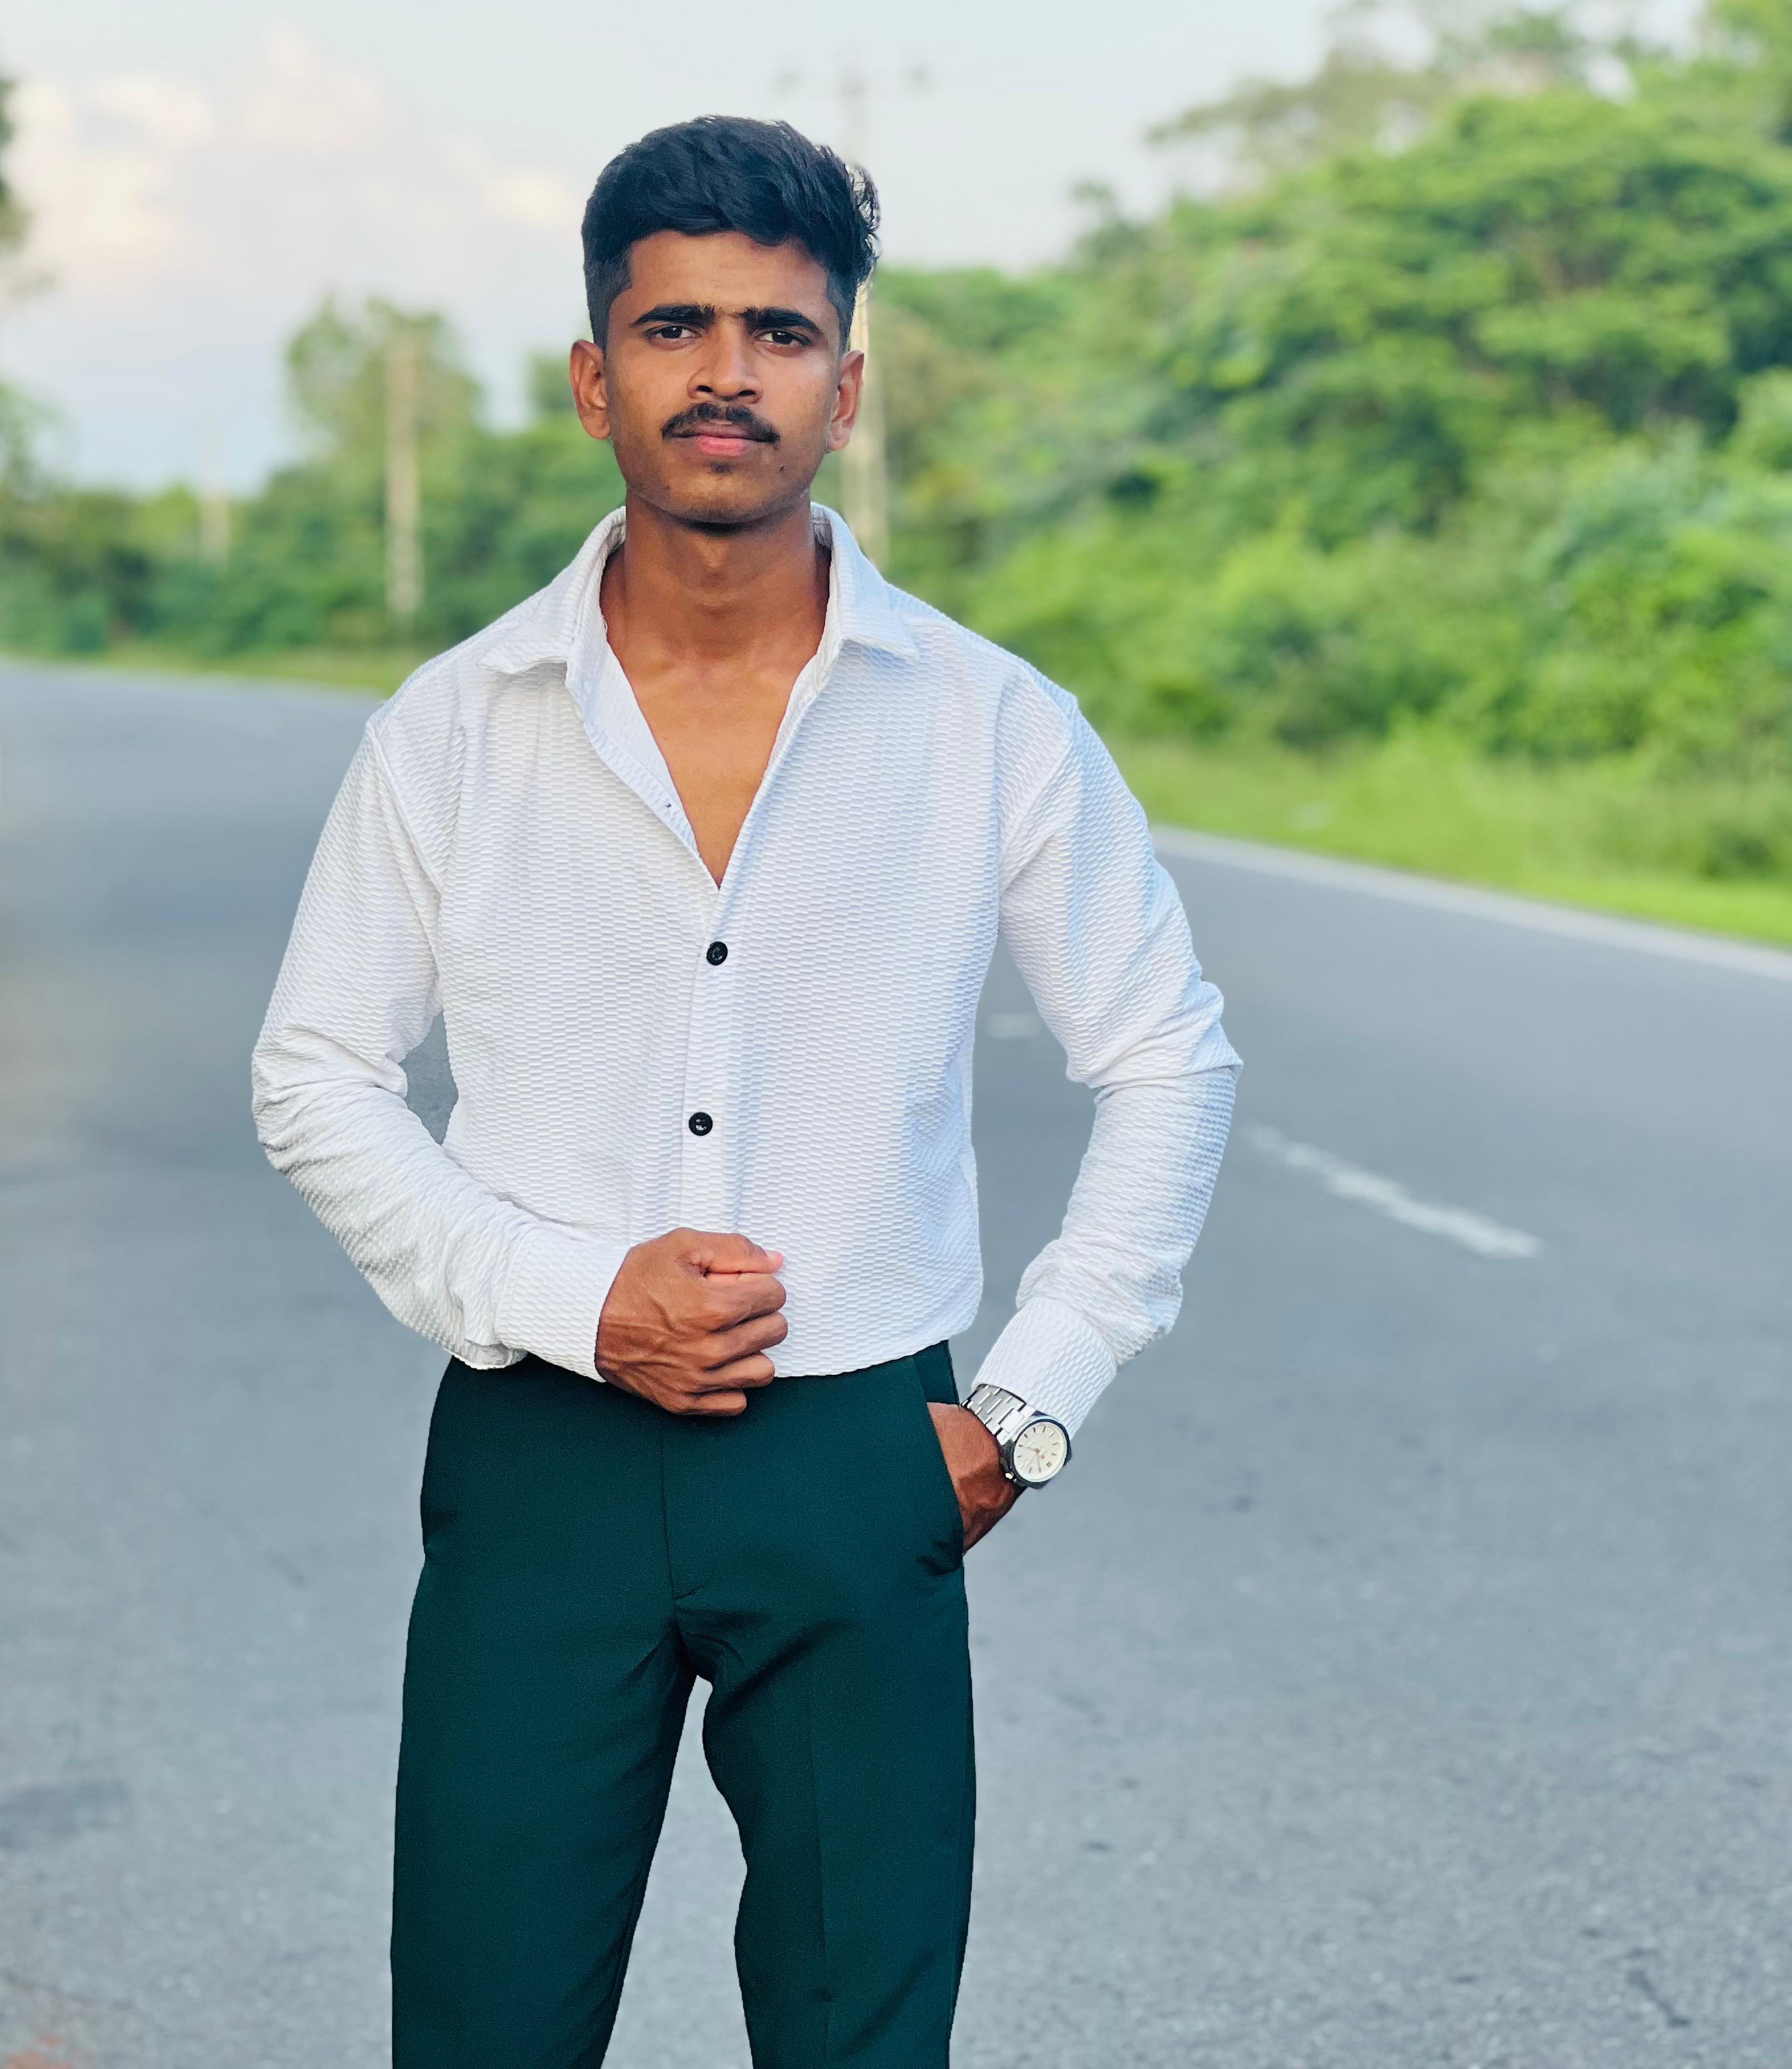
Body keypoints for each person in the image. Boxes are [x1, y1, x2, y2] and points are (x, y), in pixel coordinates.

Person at [252, 115, 1239, 2069]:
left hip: (869, 1456)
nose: (726, 371)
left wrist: (1026, 1411)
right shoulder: (454, 728)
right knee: (483, 2025)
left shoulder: (988, 724)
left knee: (861, 2034)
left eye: (779, 334)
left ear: (846, 386)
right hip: (544, 1459)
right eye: (675, 325)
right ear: (592, 376)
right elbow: (317, 1072)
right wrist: (567, 1297)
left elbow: (1167, 1058)